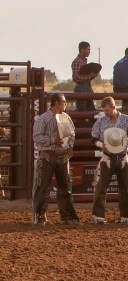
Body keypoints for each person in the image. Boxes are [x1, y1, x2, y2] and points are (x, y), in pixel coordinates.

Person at [90, 96, 128, 224]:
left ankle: (126, 216)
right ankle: (99, 216)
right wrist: (102, 145)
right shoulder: (101, 121)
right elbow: (93, 138)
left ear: (113, 107)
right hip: (107, 156)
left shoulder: (127, 120)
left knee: (125, 187)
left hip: (122, 156)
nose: (105, 113)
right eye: (104, 111)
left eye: (107, 110)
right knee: (101, 187)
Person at [31, 93, 79, 225]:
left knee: (65, 188)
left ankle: (66, 216)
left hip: (62, 156)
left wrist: (70, 146)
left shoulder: (66, 117)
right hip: (47, 156)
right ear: (57, 103)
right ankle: (40, 215)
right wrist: (53, 140)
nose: (66, 104)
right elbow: (36, 137)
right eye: (64, 102)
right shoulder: (43, 119)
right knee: (43, 187)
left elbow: (72, 134)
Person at [71, 40, 97, 114]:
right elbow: (76, 77)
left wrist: (92, 76)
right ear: (82, 50)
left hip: (87, 87)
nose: (89, 52)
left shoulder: (83, 61)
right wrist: (89, 76)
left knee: (91, 110)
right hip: (81, 88)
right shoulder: (77, 62)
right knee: (82, 111)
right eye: (88, 49)